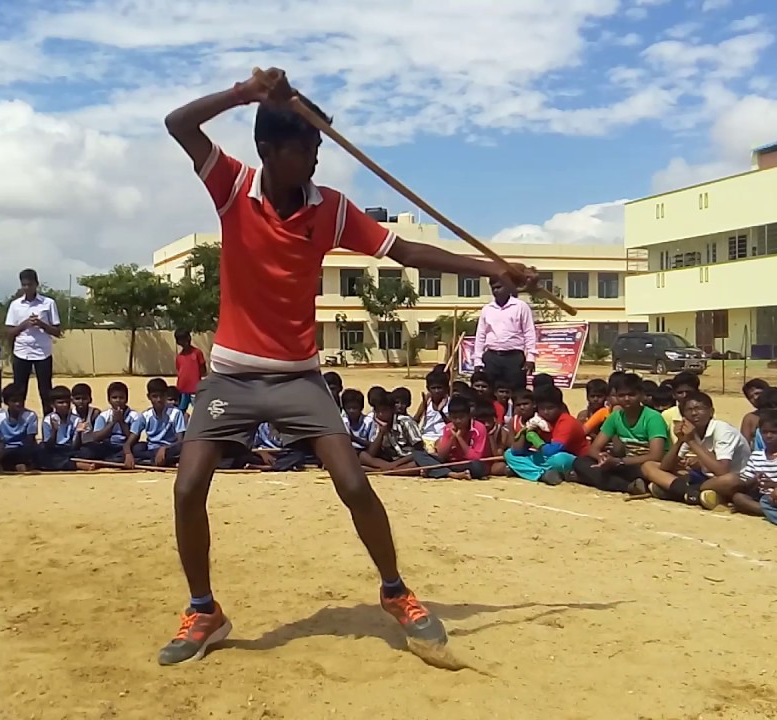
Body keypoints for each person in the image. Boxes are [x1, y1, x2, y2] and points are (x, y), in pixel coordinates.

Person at [157, 66, 539, 665]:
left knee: (355, 482)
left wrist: (492, 269)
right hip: (231, 375)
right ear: (268, 151)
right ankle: (204, 610)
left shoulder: (331, 210)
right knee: (186, 488)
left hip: (299, 378)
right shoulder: (232, 187)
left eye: (316, 148)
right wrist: (245, 93)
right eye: (303, 148)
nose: (313, 158)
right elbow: (178, 123)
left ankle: (396, 592)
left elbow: (406, 251)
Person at [701, 409, 777, 523]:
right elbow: (745, 482)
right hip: (760, 496)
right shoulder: (756, 456)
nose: (768, 436)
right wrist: (755, 480)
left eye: (774, 432)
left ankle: (770, 511)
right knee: (738, 497)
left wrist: (775, 484)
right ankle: (766, 511)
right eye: (764, 432)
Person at [642, 391, 749, 505]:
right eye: (689, 410)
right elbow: (665, 467)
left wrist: (692, 441)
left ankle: (679, 491)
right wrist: (680, 440)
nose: (694, 413)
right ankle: (690, 493)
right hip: (704, 478)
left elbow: (722, 471)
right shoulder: (692, 430)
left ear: (711, 412)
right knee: (649, 465)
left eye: (699, 409)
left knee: (730, 480)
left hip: (731, 480)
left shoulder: (723, 431)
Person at [572, 373, 669, 495]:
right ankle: (630, 486)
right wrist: (603, 458)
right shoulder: (615, 417)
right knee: (581, 462)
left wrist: (619, 461)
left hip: (646, 465)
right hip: (623, 463)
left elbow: (656, 455)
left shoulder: (653, 418)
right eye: (622, 395)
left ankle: (623, 484)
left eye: (631, 395)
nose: (626, 399)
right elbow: (594, 448)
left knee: (641, 469)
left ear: (641, 395)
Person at [4, 269, 61, 415]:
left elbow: (57, 331)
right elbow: (9, 332)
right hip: (22, 352)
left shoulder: (48, 303)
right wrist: (25, 324)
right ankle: (19, 424)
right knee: (19, 391)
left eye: (30, 284)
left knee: (46, 391)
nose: (27, 288)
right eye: (24, 285)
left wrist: (41, 324)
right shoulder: (15, 305)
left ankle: (48, 425)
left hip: (43, 352)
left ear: (36, 284)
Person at [505, 385, 588, 486]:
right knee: (509, 454)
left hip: (573, 459)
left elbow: (552, 451)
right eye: (542, 408)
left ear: (560, 407)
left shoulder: (567, 422)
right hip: (547, 458)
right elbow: (516, 451)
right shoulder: (538, 420)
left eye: (550, 408)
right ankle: (542, 475)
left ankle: (527, 470)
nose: (546, 412)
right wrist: (526, 432)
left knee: (559, 458)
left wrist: (535, 439)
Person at [471, 276, 536, 393]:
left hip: (514, 358)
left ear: (508, 287)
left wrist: (531, 358)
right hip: (492, 357)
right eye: (493, 288)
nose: (496, 291)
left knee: (517, 392)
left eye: (499, 287)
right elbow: (480, 336)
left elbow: (529, 332)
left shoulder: (521, 306)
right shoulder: (487, 309)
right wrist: (478, 361)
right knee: (491, 392)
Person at [419, 396, 492, 480]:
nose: (458, 421)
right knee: (419, 454)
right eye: (454, 418)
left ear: (469, 415)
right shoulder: (448, 428)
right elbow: (442, 456)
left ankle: (436, 471)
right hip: (451, 463)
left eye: (461, 418)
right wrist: (452, 437)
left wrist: (459, 438)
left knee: (478, 467)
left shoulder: (479, 428)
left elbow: (475, 457)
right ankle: (452, 474)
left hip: (469, 463)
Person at [76, 381, 142, 467]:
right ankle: (114, 460)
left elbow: (133, 437)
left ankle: (107, 461)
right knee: (87, 449)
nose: (118, 401)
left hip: (126, 446)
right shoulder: (103, 416)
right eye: (114, 398)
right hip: (108, 446)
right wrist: (113, 422)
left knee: (139, 448)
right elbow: (96, 437)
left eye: (121, 398)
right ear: (109, 400)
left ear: (126, 399)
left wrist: (121, 421)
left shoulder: (135, 416)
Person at [133, 378, 188, 467]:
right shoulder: (145, 415)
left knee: (182, 449)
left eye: (161, 396)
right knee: (136, 448)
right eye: (155, 396)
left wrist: (164, 448)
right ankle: (158, 461)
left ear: (166, 396)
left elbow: (180, 440)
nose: (159, 400)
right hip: (152, 449)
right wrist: (128, 453)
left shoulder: (175, 413)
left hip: (170, 449)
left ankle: (149, 461)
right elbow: (131, 440)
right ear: (149, 397)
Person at [359, 395, 421, 471]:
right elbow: (371, 453)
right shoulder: (377, 424)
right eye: (378, 411)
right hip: (390, 460)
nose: (381, 414)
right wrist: (381, 432)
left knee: (416, 465)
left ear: (393, 410)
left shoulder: (406, 422)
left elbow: (419, 451)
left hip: (407, 459)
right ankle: (389, 469)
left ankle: (381, 470)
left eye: (384, 411)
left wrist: (393, 464)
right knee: (363, 456)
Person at [0, 383, 39, 472]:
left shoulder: (30, 416)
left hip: (22, 449)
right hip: (5, 450)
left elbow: (30, 441)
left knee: (38, 451)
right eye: (14, 401)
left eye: (21, 400)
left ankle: (10, 466)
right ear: (7, 402)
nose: (18, 404)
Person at [39, 385, 81, 471]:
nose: (65, 405)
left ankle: (69, 463)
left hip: (69, 450)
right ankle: (76, 464)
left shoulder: (76, 419)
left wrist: (79, 432)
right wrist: (54, 431)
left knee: (87, 451)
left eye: (67, 402)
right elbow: (48, 445)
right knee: (40, 452)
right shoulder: (48, 420)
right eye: (61, 403)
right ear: (52, 404)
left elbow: (75, 446)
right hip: (54, 449)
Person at [413, 370, 450, 453]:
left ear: (446, 388)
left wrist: (441, 412)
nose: (436, 391)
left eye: (439, 388)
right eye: (433, 388)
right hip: (426, 438)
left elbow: (452, 425)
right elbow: (416, 419)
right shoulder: (427, 401)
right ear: (428, 388)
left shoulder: (450, 402)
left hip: (443, 438)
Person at [174, 329, 207, 414]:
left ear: (189, 338)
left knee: (198, 411)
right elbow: (179, 371)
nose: (184, 342)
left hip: (195, 389)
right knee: (180, 411)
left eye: (185, 339)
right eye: (180, 340)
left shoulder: (197, 353)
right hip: (182, 389)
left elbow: (203, 369)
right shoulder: (179, 356)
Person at [738, 378, 771, 443]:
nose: (755, 398)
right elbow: (744, 446)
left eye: (757, 393)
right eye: (751, 397)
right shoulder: (750, 419)